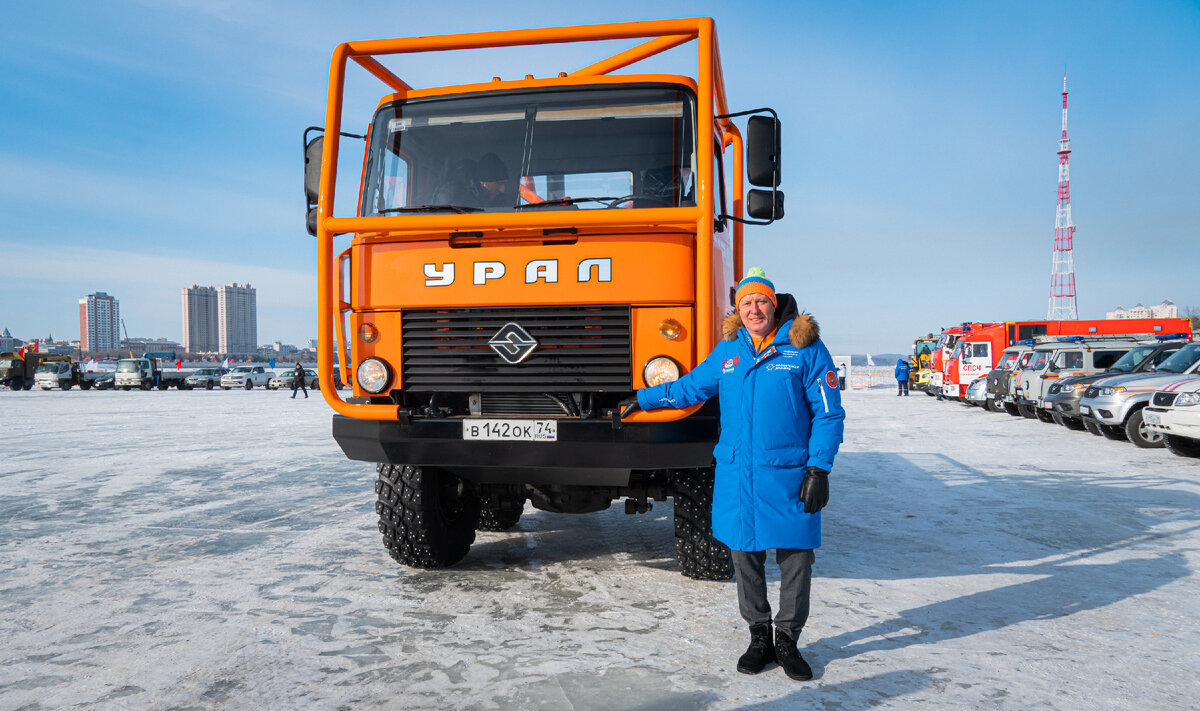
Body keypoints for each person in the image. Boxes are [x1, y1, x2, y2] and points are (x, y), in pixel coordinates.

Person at [619, 267, 845, 681]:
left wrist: (819, 467)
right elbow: (689, 389)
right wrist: (641, 398)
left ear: (774, 306)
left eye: (761, 301)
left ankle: (788, 640)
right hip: (738, 475)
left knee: (796, 559)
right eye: (746, 303)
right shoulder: (728, 352)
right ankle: (759, 636)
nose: (754, 309)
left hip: (789, 475)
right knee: (745, 556)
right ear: (737, 310)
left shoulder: (805, 349)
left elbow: (829, 414)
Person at [432, 152, 510, 208]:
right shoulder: (451, 194)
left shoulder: (498, 198)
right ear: (484, 182)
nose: (502, 190)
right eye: (499, 183)